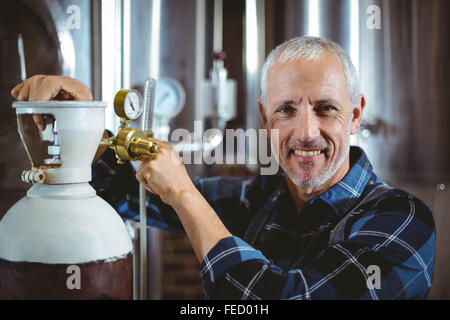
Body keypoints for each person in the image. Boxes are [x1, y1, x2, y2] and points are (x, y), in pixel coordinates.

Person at [11, 36, 435, 300]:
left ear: (356, 115)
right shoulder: (264, 198)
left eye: (326, 109)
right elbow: (129, 195)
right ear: (266, 119)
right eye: (286, 110)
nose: (306, 132)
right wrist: (81, 120)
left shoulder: (402, 219)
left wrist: (184, 192)